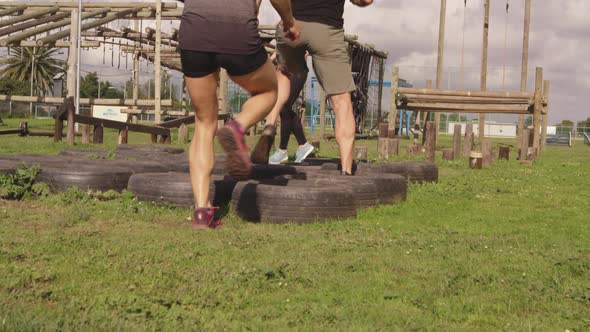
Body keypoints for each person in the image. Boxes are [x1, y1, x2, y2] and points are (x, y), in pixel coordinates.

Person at [179, 0, 300, 229]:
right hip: (237, 29)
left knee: (204, 123)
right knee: (269, 90)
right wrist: (289, 22)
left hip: (194, 31)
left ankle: (202, 212)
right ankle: (236, 128)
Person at [251, 0, 374, 174]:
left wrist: (255, 11)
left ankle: (269, 128)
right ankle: (346, 171)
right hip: (327, 30)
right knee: (341, 100)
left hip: (292, 25)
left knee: (284, 74)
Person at [267, 54, 315, 164]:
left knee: (284, 106)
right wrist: (271, 59)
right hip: (286, 70)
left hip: (297, 70)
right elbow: (281, 46)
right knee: (284, 108)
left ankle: (283, 150)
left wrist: (305, 52)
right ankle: (302, 145)